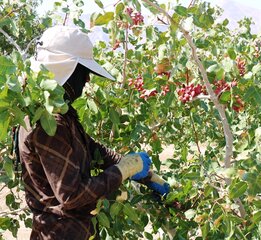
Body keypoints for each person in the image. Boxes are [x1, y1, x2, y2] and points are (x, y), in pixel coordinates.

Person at [18, 25, 170, 240]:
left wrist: (142, 173)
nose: (87, 80)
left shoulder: (60, 113)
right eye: (84, 72)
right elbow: (71, 196)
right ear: (67, 70)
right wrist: (121, 171)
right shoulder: (48, 123)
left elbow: (93, 149)